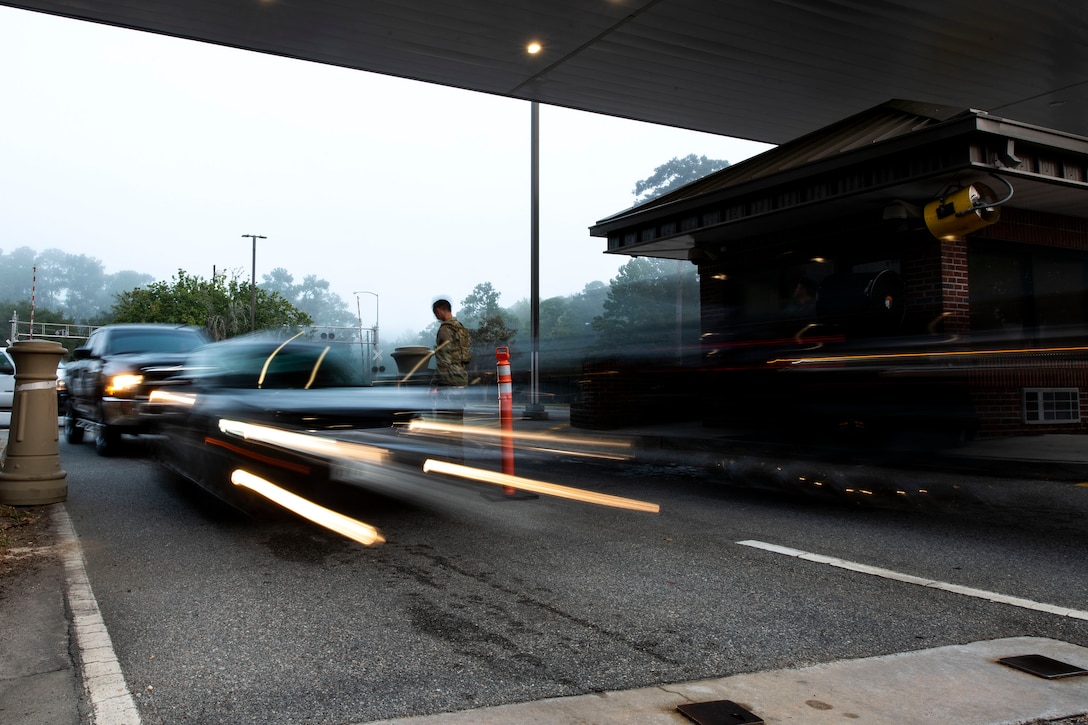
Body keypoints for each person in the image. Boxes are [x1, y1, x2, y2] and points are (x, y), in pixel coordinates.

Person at [431, 297, 470, 388]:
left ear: (439, 310)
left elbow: (444, 360)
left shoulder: (445, 330)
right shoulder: (460, 328)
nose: (436, 316)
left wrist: (434, 384)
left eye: (435, 313)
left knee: (446, 402)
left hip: (449, 380)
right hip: (461, 377)